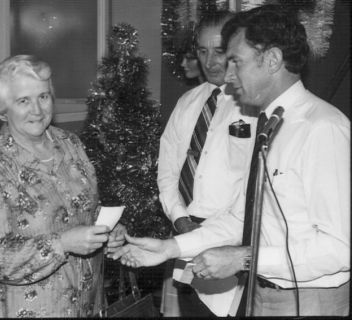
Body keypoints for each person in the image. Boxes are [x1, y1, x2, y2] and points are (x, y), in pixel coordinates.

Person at [112, 4, 350, 317]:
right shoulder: (274, 123)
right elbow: (243, 217)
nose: (228, 73)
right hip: (262, 293)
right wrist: (169, 248)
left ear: (272, 60)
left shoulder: (322, 128)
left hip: (308, 300)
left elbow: (340, 249)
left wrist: (242, 259)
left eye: (236, 60)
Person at [0, 54, 125, 317]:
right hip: (31, 308)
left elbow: (85, 209)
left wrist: (108, 231)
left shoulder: (70, 143)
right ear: (2, 108)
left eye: (43, 96)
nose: (37, 110)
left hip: (88, 301)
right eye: (23, 101)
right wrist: (62, 243)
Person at [158, 10, 256, 317]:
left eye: (219, 52)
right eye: (202, 51)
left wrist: (214, 235)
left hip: (231, 246)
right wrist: (179, 219)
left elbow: (251, 186)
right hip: (186, 238)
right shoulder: (188, 102)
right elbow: (168, 170)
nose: (211, 62)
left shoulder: (254, 107)